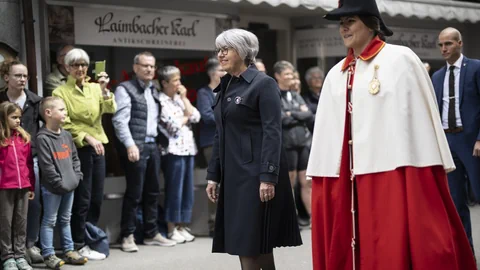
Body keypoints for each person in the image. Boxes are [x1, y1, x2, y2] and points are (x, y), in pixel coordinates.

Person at [306, 0, 477, 269]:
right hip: (347, 180)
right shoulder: (334, 75)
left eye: (350, 20)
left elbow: (416, 126)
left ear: (371, 23)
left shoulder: (400, 59)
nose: (344, 28)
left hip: (393, 172)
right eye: (341, 22)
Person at [205, 29, 302, 270]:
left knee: (249, 244)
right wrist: (213, 175)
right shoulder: (225, 85)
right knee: (250, 245)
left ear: (244, 51)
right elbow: (220, 133)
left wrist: (268, 177)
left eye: (226, 49)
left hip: (255, 176)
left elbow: (273, 132)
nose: (221, 54)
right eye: (219, 49)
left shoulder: (264, 83)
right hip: (233, 176)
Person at [52, 48, 116, 260]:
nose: (80, 69)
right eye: (75, 65)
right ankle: (78, 243)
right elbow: (65, 122)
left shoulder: (95, 88)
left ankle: (91, 238)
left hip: (99, 147)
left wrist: (105, 89)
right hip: (78, 148)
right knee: (83, 198)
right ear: (67, 67)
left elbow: (110, 109)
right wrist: (87, 137)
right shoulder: (60, 92)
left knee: (96, 196)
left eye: (83, 65)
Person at [112, 51, 176, 252]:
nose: (149, 69)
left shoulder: (154, 90)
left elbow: (155, 120)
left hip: (152, 146)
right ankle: (127, 235)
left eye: (152, 66)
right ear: (135, 68)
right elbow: (119, 121)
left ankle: (151, 233)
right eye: (145, 65)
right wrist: (130, 145)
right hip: (136, 146)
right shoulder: (125, 89)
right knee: (134, 193)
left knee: (153, 192)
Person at [432, 27, 480, 254]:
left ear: (460, 43)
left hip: (472, 143)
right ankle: (466, 253)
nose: (444, 48)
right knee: (456, 202)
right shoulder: (437, 76)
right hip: (447, 143)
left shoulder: (476, 68)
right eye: (441, 45)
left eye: (448, 44)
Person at [0, 59, 43, 264]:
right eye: (18, 75)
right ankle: (7, 253)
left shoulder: (35, 101)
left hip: (27, 157)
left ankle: (28, 246)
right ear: (6, 77)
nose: (23, 79)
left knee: (30, 206)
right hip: (5, 159)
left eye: (25, 75)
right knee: (6, 213)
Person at [37, 97, 87, 269]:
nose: (66, 112)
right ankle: (48, 254)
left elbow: (75, 158)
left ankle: (69, 250)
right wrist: (59, 183)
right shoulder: (43, 138)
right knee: (50, 220)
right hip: (53, 188)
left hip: (69, 185)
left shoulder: (66, 135)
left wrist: (76, 176)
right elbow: (47, 166)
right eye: (62, 109)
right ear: (48, 113)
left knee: (66, 219)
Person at [158, 66, 200, 244]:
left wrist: (184, 100)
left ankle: (182, 226)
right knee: (174, 190)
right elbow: (173, 126)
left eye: (179, 79)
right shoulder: (160, 101)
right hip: (172, 151)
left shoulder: (179, 98)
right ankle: (171, 227)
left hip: (188, 148)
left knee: (187, 190)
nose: (179, 83)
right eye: (175, 80)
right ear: (164, 82)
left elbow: (196, 116)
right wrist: (186, 116)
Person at [273, 61, 313, 224]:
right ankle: (289, 218)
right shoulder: (274, 94)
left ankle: (313, 219)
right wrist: (297, 114)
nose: (290, 77)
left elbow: (308, 115)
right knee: (289, 180)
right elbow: (281, 118)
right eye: (287, 74)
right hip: (287, 143)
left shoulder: (295, 95)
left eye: (291, 74)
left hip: (302, 143)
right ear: (277, 76)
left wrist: (292, 113)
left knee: (306, 181)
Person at [0, 101, 35, 270]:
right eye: (14, 117)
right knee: (5, 223)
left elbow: (29, 164)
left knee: (21, 222)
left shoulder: (24, 138)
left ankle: (20, 255)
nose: (18, 121)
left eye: (19, 117)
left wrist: (31, 187)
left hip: (23, 187)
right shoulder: (1, 140)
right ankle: (7, 256)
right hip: (5, 187)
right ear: (3, 118)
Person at [196, 58, 225, 236]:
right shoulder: (204, 93)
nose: (225, 73)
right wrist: (228, 116)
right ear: (213, 73)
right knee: (215, 182)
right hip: (211, 143)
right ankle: (214, 224)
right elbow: (207, 116)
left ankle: (226, 221)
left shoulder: (228, 89)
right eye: (222, 70)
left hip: (229, 141)